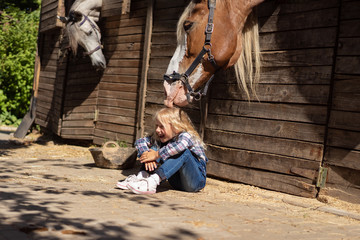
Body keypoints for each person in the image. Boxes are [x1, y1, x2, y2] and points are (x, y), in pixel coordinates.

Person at [116, 107, 207, 194]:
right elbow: (140, 142)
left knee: (183, 151)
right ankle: (142, 177)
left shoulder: (186, 136)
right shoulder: (160, 138)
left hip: (195, 182)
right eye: (156, 126)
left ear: (176, 126)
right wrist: (146, 154)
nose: (157, 130)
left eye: (161, 126)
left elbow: (181, 145)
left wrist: (156, 154)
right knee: (155, 145)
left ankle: (153, 181)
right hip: (175, 183)